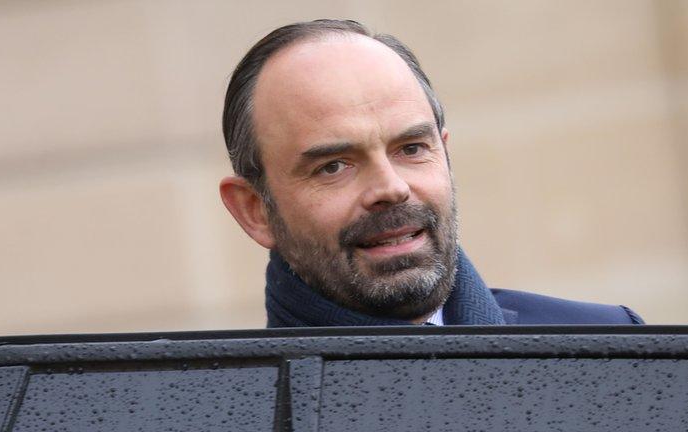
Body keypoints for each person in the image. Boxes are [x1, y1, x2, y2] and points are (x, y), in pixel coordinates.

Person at [219, 19, 644, 327]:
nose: (391, 187)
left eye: (411, 148)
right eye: (333, 166)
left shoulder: (610, 351)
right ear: (255, 211)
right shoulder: (215, 423)